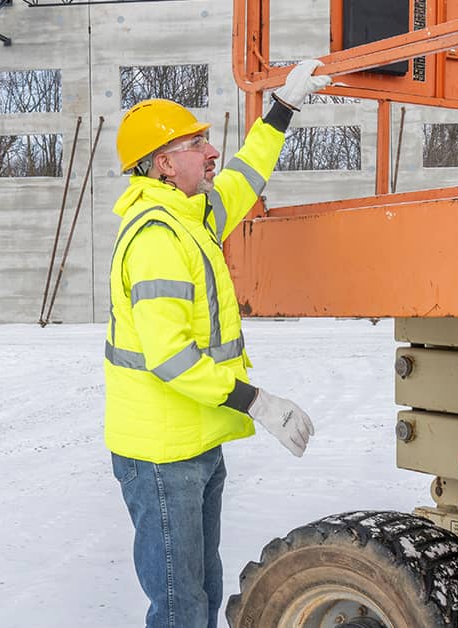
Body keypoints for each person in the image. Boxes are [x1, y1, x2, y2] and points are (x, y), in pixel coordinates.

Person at [104, 59, 332, 628]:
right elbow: (172, 360)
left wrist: (283, 107)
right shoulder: (157, 239)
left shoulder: (195, 213)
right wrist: (258, 402)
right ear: (163, 164)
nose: (211, 152)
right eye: (195, 144)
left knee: (201, 595)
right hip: (162, 454)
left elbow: (246, 173)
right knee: (182, 609)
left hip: (195, 441)